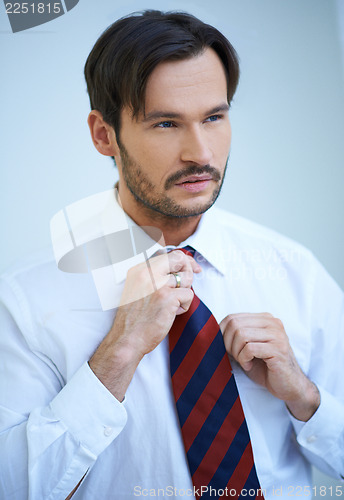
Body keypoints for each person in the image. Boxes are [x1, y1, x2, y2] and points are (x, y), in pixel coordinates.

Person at [0, 9, 343, 500]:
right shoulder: (25, 300)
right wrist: (116, 356)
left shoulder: (295, 272)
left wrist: (306, 398)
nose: (199, 153)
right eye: (165, 123)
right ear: (103, 135)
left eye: (214, 117)